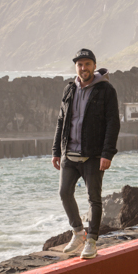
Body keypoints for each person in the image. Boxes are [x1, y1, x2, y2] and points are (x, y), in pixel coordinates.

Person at [52, 48, 120, 259]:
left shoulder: (106, 90)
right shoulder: (69, 89)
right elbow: (61, 121)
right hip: (68, 154)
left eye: (87, 64)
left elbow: (113, 123)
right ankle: (78, 232)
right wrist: (56, 150)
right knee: (64, 193)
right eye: (80, 65)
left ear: (94, 65)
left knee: (94, 199)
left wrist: (107, 153)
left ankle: (91, 241)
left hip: (93, 155)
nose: (83, 68)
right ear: (76, 67)